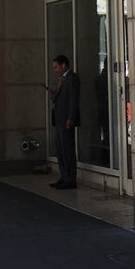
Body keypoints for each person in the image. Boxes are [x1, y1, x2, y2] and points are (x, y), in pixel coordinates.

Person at [48, 54, 81, 190]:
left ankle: (71, 179)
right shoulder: (61, 80)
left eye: (56, 67)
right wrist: (53, 93)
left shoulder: (72, 78)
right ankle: (64, 177)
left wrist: (71, 117)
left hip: (66, 120)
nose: (55, 70)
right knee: (60, 150)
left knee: (68, 150)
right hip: (58, 120)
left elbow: (74, 99)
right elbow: (57, 98)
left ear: (64, 65)